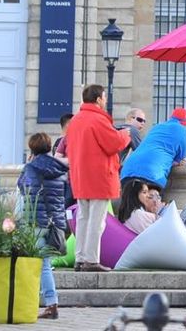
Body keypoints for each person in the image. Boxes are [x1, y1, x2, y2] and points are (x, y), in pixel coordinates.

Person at [66, 83, 130, 271]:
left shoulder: (76, 120)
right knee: (97, 221)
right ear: (98, 99)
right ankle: (91, 260)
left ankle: (80, 258)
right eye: (104, 97)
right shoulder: (98, 119)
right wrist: (126, 134)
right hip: (99, 177)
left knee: (83, 218)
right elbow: (114, 144)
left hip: (80, 176)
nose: (105, 100)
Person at [17, 131, 68, 321]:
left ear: (32, 148)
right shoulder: (59, 168)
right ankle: (49, 302)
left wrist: (28, 165)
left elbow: (23, 188)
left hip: (36, 221)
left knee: (42, 265)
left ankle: (50, 303)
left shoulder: (31, 167)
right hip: (54, 223)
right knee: (44, 264)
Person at [120, 107, 186, 190]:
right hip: (153, 175)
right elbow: (179, 160)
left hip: (127, 172)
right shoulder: (182, 130)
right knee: (153, 202)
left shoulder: (157, 127)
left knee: (129, 202)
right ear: (184, 123)